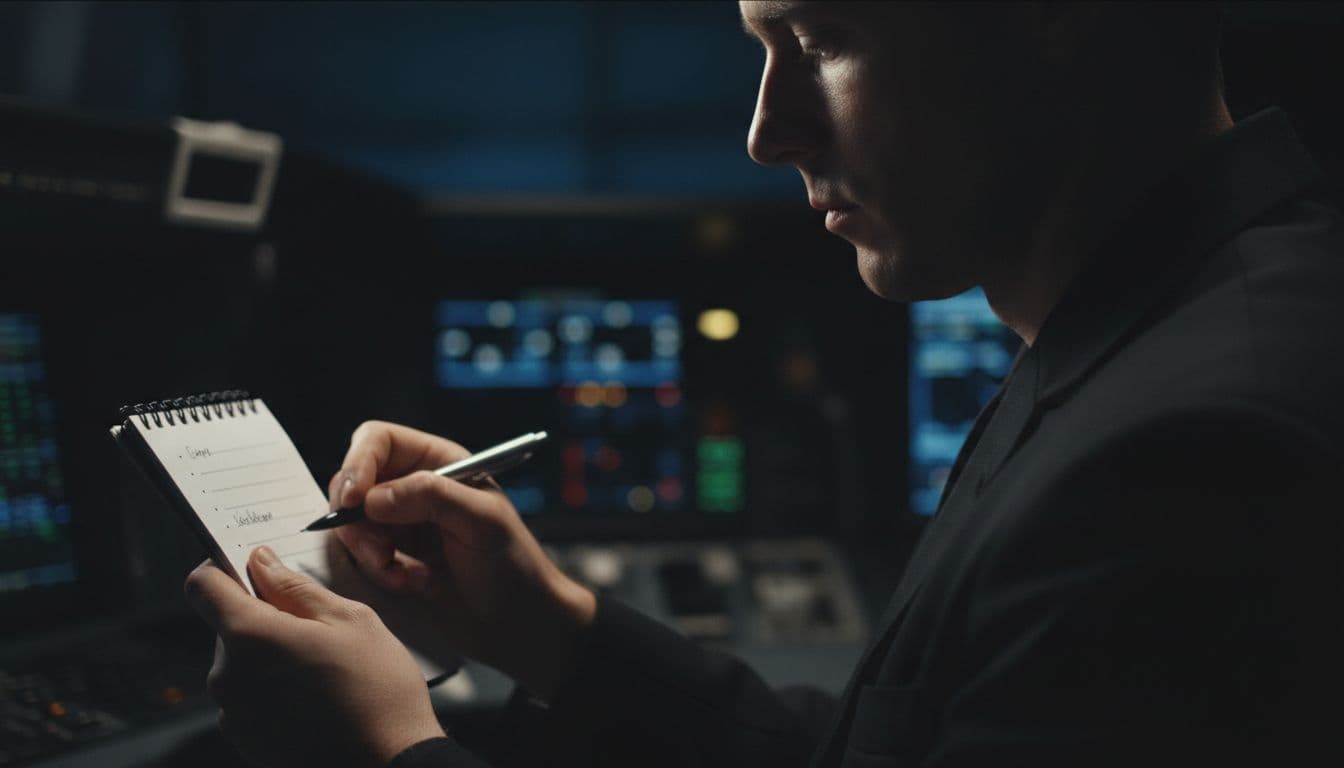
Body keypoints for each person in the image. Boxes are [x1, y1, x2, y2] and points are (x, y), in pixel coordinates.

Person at [184, 2, 1344, 766]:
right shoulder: (1154, 336)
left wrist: (390, 747)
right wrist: (544, 628)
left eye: (823, 33)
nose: (765, 130)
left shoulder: (1206, 456)